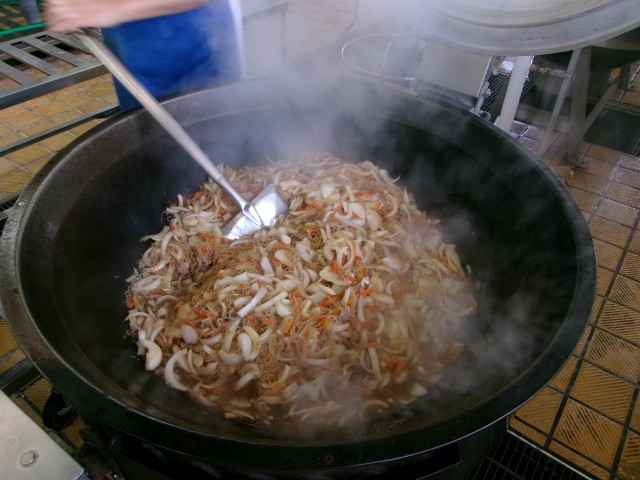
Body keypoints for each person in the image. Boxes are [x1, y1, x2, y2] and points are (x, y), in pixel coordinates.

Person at [46, 0, 245, 111]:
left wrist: (113, 8)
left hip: (192, 37)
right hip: (131, 43)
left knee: (216, 134)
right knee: (144, 130)